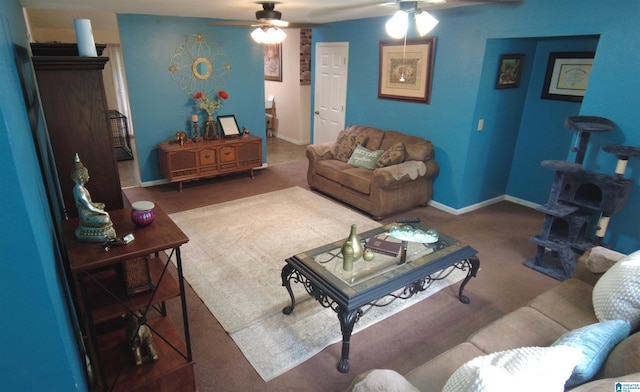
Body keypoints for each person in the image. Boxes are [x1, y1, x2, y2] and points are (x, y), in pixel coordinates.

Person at [71, 153, 116, 242]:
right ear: (81, 177)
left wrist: (98, 206)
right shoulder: (80, 191)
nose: (88, 176)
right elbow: (90, 208)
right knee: (106, 218)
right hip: (86, 216)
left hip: (88, 211)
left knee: (102, 205)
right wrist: (105, 213)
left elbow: (90, 204)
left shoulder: (79, 188)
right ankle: (94, 230)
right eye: (86, 174)